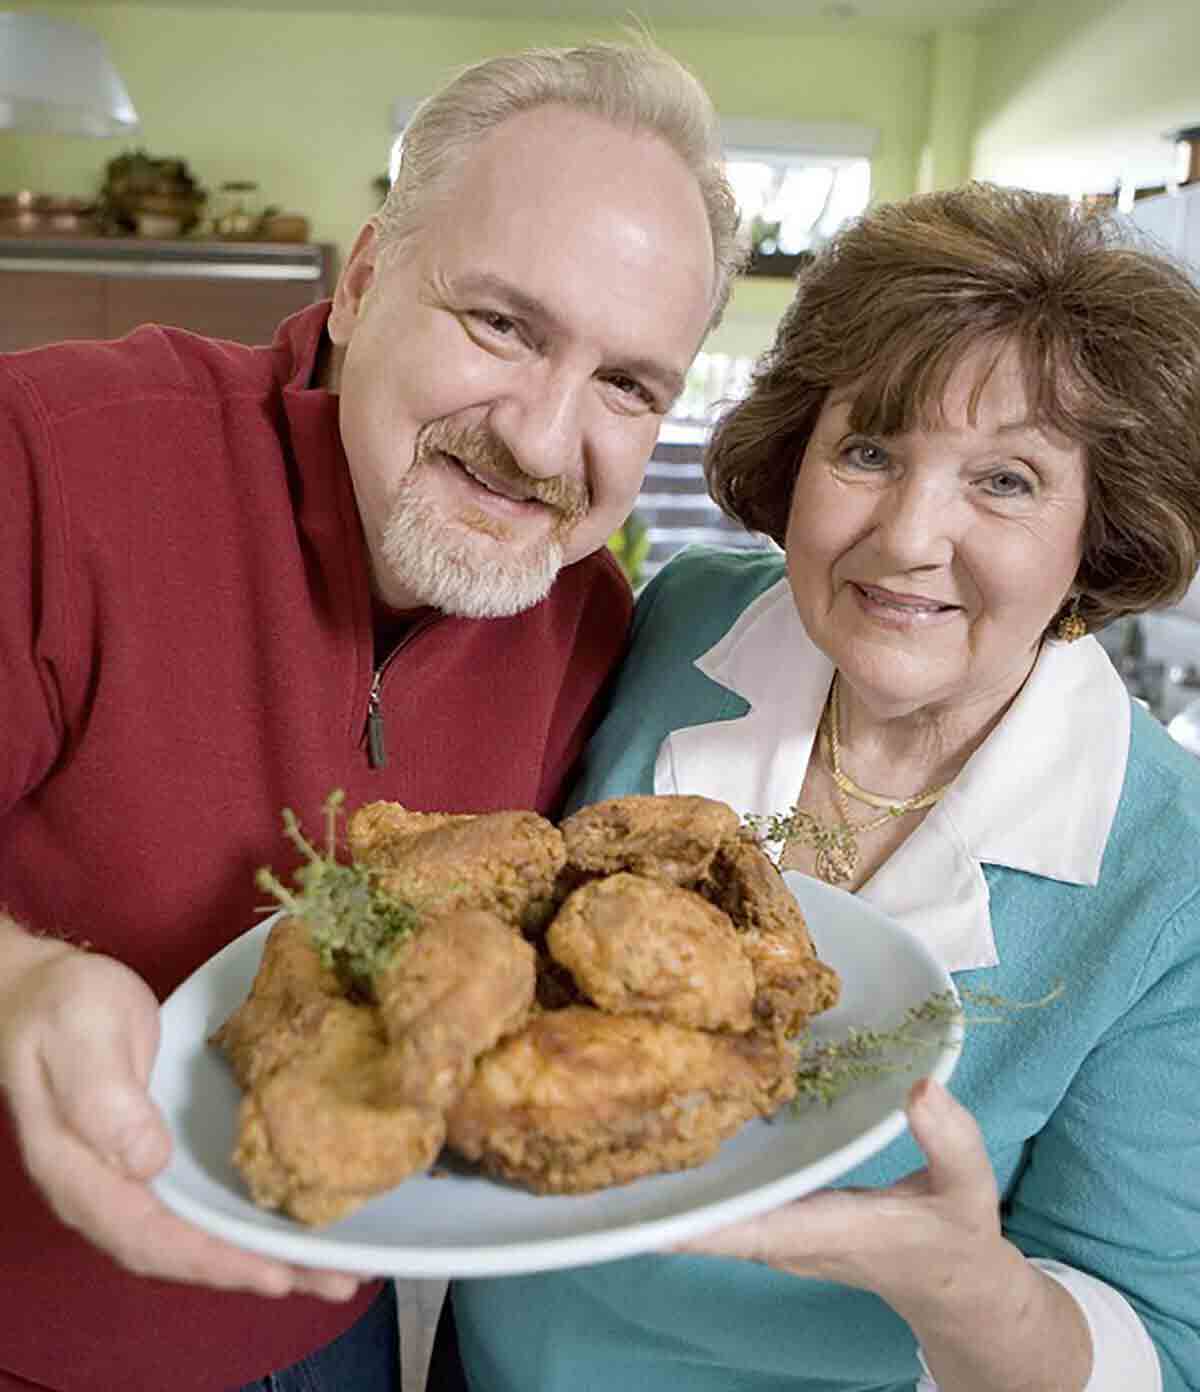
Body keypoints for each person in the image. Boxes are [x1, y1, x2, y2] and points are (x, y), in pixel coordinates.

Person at [0, 42, 738, 1392]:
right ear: (358, 283)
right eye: (504, 325)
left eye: (628, 385)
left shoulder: (588, 621)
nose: (540, 437)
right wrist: (20, 983)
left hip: (335, 1332)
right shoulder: (53, 457)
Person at [435, 184, 1200, 1391]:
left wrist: (972, 1291)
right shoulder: (674, 625)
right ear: (796, 458)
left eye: (1005, 481)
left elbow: (1162, 1348)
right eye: (870, 451)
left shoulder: (1169, 871)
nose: (906, 536)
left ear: (1099, 530)